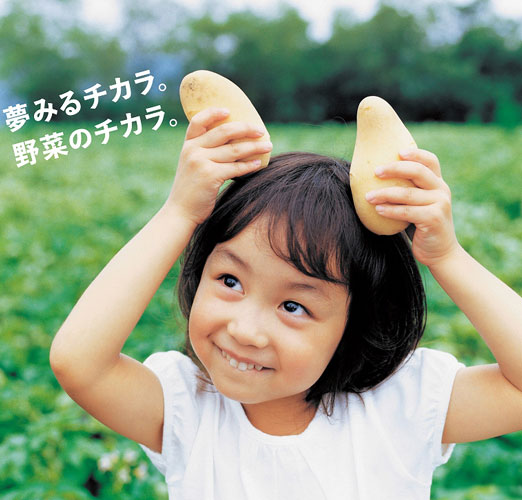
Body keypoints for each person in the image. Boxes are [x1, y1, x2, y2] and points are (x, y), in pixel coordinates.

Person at [50, 107, 522, 499]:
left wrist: (446, 256)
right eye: (230, 279)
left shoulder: (401, 406)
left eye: (294, 307)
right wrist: (179, 212)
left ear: (356, 323)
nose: (245, 329)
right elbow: (79, 361)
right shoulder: (188, 408)